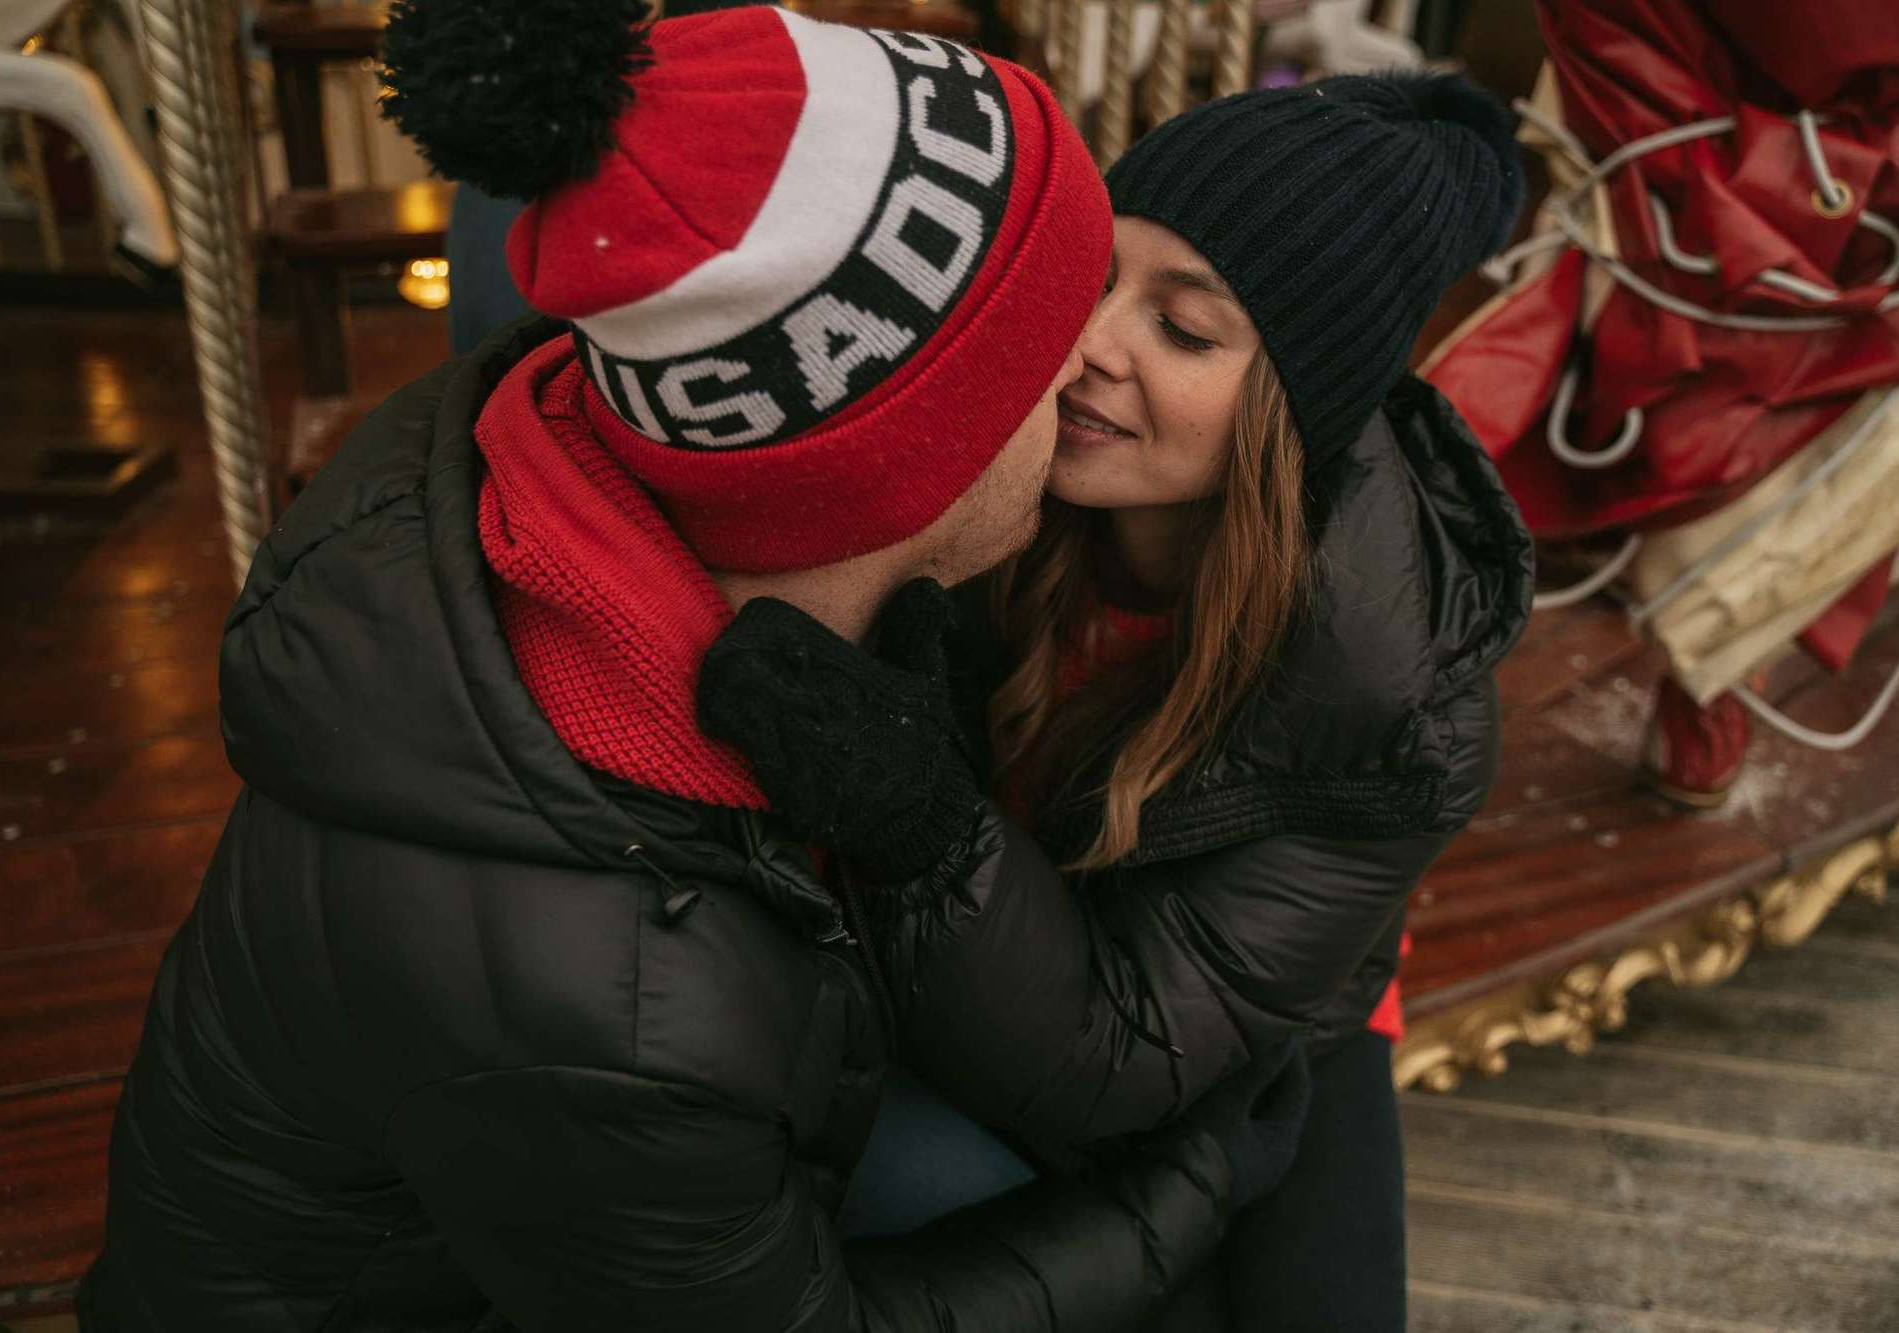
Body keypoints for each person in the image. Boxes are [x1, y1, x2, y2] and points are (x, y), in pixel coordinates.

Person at [76, 4, 1312, 1329]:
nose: (1092, 372)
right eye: (1055, 326)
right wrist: (1196, 1190)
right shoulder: (607, 991)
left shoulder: (591, 497)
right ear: (900, 462)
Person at [698, 71, 1536, 1330]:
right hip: (1008, 969)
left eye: (1184, 332)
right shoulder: (997, 487)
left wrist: (919, 815)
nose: (1092, 345)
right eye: (1093, 280)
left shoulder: (1392, 703)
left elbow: (1121, 1054)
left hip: (1250, 1012)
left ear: (1290, 416)